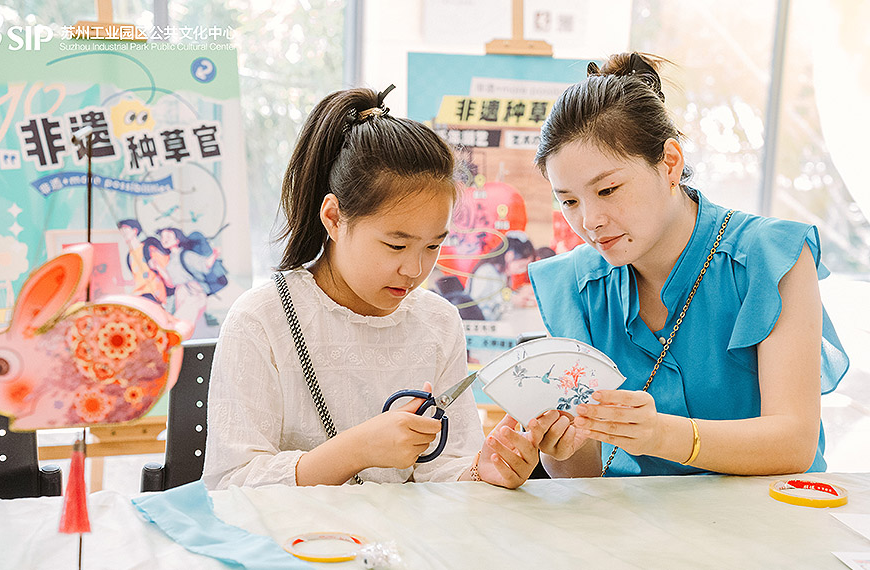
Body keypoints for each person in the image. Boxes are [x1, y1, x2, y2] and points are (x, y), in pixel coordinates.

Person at [525, 53, 849, 478]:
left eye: (608, 190)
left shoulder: (769, 257)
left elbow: (793, 443)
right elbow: (582, 476)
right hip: (629, 517)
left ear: (670, 163)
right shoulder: (572, 284)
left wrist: (660, 435)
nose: (589, 221)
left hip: (767, 512)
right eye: (569, 201)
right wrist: (557, 446)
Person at [203, 86, 545, 488]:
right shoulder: (261, 319)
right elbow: (231, 483)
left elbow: (443, 469)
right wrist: (356, 450)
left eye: (433, 246)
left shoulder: (438, 322)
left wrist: (480, 471)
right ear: (334, 218)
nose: (415, 269)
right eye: (396, 245)